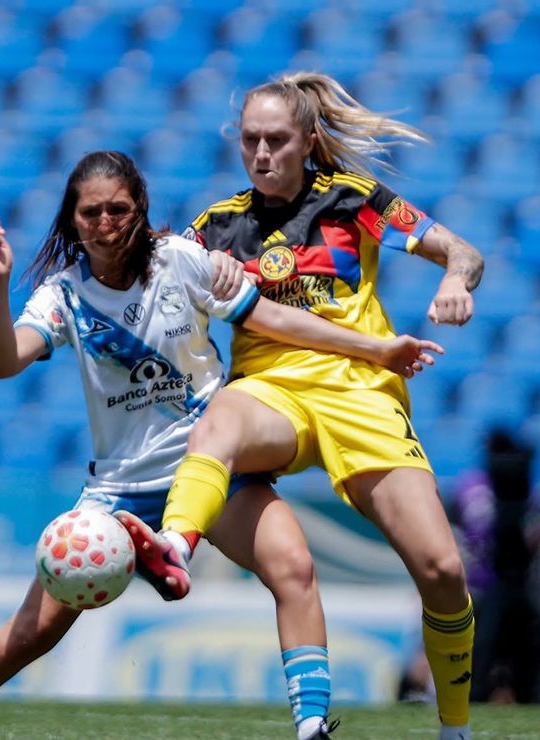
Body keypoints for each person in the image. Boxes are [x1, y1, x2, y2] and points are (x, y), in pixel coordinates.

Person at [0, 150, 443, 740]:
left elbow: (274, 320)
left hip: (208, 465)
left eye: (118, 209)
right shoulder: (63, 296)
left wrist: (374, 349)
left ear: (140, 210)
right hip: (119, 490)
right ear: (71, 220)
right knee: (28, 636)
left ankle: (311, 726)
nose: (105, 222)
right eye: (91, 212)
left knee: (294, 567)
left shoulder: (181, 262)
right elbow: (6, 363)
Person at [121, 73, 486, 740]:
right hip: (273, 392)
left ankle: (455, 728)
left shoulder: (357, 202)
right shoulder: (216, 228)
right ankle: (175, 544)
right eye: (251, 141)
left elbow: (461, 250)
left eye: (277, 141)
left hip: (360, 393)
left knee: (442, 571)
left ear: (308, 142)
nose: (261, 154)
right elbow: (158, 295)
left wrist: (456, 283)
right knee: (222, 419)